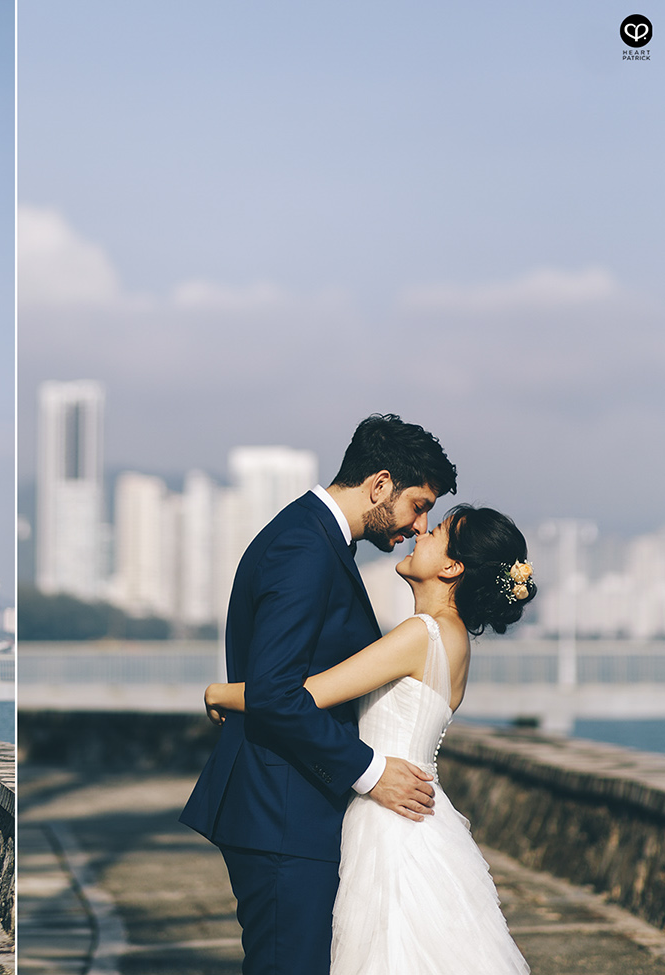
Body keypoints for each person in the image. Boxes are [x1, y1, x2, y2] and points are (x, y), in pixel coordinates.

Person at [179, 413, 458, 975]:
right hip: (283, 812)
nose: (418, 524)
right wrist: (372, 771)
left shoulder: (315, 538)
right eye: (419, 504)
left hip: (293, 809)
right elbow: (280, 694)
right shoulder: (305, 546)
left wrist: (225, 692)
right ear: (380, 485)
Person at [203, 505, 537, 973]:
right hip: (419, 814)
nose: (420, 532)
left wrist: (219, 692)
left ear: (451, 567)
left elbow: (307, 695)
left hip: (389, 820)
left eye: (436, 531)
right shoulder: (453, 638)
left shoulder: (421, 634)